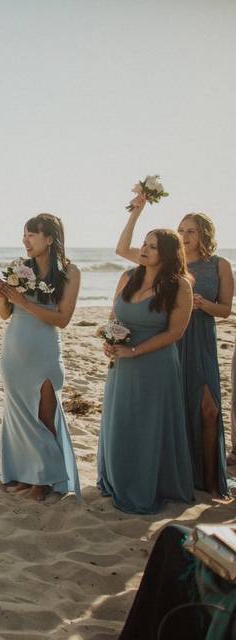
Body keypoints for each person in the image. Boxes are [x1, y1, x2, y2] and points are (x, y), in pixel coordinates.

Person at [116, 196, 232, 496]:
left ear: (205, 234)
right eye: (181, 229)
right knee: (173, 410)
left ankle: (210, 480)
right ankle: (176, 475)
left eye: (191, 230)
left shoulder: (219, 265)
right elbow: (122, 249)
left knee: (208, 409)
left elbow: (226, 310)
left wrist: (204, 304)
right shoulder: (167, 266)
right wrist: (136, 213)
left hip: (200, 340)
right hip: (166, 342)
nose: (184, 234)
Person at [98, 229, 195, 514]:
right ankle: (117, 479)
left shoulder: (180, 286)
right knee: (121, 419)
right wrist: (110, 341)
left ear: (167, 253)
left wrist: (135, 351)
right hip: (121, 362)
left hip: (155, 365)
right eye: (144, 244)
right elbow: (114, 315)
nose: (144, 249)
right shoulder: (128, 277)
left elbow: (176, 332)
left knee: (148, 425)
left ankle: (146, 484)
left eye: (152, 246)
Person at [0, 213, 81, 501]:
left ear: (49, 238)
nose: (25, 240)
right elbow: (5, 315)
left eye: (31, 235)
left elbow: (62, 319)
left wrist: (23, 301)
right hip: (14, 349)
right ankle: (27, 476)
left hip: (44, 351)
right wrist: (5, 297)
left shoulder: (70, 272)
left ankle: (45, 481)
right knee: (18, 417)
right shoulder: (19, 268)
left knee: (43, 415)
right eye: (24, 234)